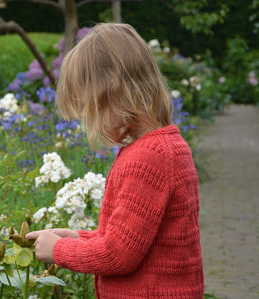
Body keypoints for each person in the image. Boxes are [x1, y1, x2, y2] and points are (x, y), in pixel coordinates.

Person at [25, 23, 204, 298]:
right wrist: (77, 238)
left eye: (88, 108)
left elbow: (118, 255)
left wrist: (59, 250)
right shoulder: (166, 146)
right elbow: (130, 239)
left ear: (112, 84)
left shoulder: (149, 158)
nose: (88, 121)